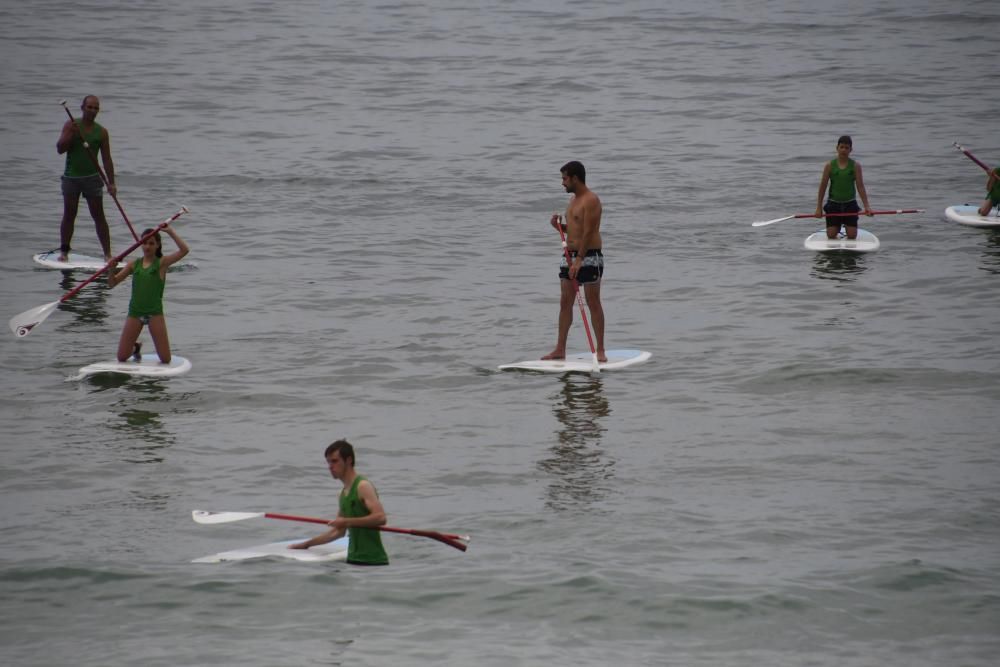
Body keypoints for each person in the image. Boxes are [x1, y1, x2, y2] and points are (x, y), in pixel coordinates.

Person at [542, 160, 607, 362]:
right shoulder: (572, 202)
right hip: (569, 257)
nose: (563, 183)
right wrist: (559, 226)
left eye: (565, 178)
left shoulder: (591, 200)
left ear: (575, 178)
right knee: (565, 302)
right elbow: (576, 230)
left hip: (588, 257)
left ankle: (601, 351)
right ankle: (560, 349)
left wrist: (579, 260)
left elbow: (589, 232)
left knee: (593, 302)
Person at [290, 440, 389, 566]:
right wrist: (306, 544)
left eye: (334, 461)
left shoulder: (362, 486)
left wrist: (346, 521)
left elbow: (380, 518)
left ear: (348, 460)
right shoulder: (342, 494)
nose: (330, 466)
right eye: (328, 462)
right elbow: (338, 531)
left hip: (374, 562)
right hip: (353, 560)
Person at [107, 225, 189, 364]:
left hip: (154, 313)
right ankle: (135, 348)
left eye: (151, 243)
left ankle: (139, 347)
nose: (147, 246)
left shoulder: (162, 263)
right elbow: (112, 284)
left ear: (158, 245)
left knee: (165, 359)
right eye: (144, 243)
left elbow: (184, 250)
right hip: (135, 312)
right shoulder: (134, 264)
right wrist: (111, 269)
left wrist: (170, 232)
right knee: (121, 357)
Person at [57, 95, 116, 262]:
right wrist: (71, 134)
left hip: (92, 179)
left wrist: (111, 183)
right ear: (82, 108)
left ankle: (107, 255)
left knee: (99, 216)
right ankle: (64, 252)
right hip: (71, 178)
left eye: (96, 108)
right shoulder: (71, 125)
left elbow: (107, 159)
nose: (93, 110)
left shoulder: (102, 132)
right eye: (90, 107)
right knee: (69, 214)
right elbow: (60, 149)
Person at [814, 135, 873, 240]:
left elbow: (860, 187)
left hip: (850, 204)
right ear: (837, 148)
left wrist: (867, 207)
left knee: (852, 235)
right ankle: (837, 226)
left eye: (846, 148)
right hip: (833, 204)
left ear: (851, 150)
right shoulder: (829, 165)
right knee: (831, 235)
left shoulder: (855, 166)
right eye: (841, 147)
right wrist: (819, 208)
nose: (844, 150)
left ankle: (846, 225)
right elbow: (823, 186)